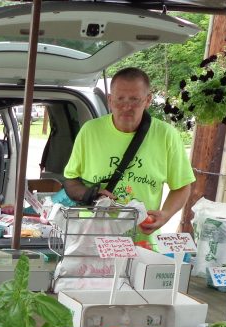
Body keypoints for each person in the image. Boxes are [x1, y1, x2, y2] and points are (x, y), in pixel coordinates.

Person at [62, 67, 196, 244]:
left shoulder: (166, 135)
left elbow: (182, 186)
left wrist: (165, 215)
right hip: (92, 239)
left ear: (147, 100)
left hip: (141, 241)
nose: (126, 107)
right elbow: (70, 181)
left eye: (135, 100)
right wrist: (91, 194)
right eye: (119, 99)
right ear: (110, 100)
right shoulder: (90, 131)